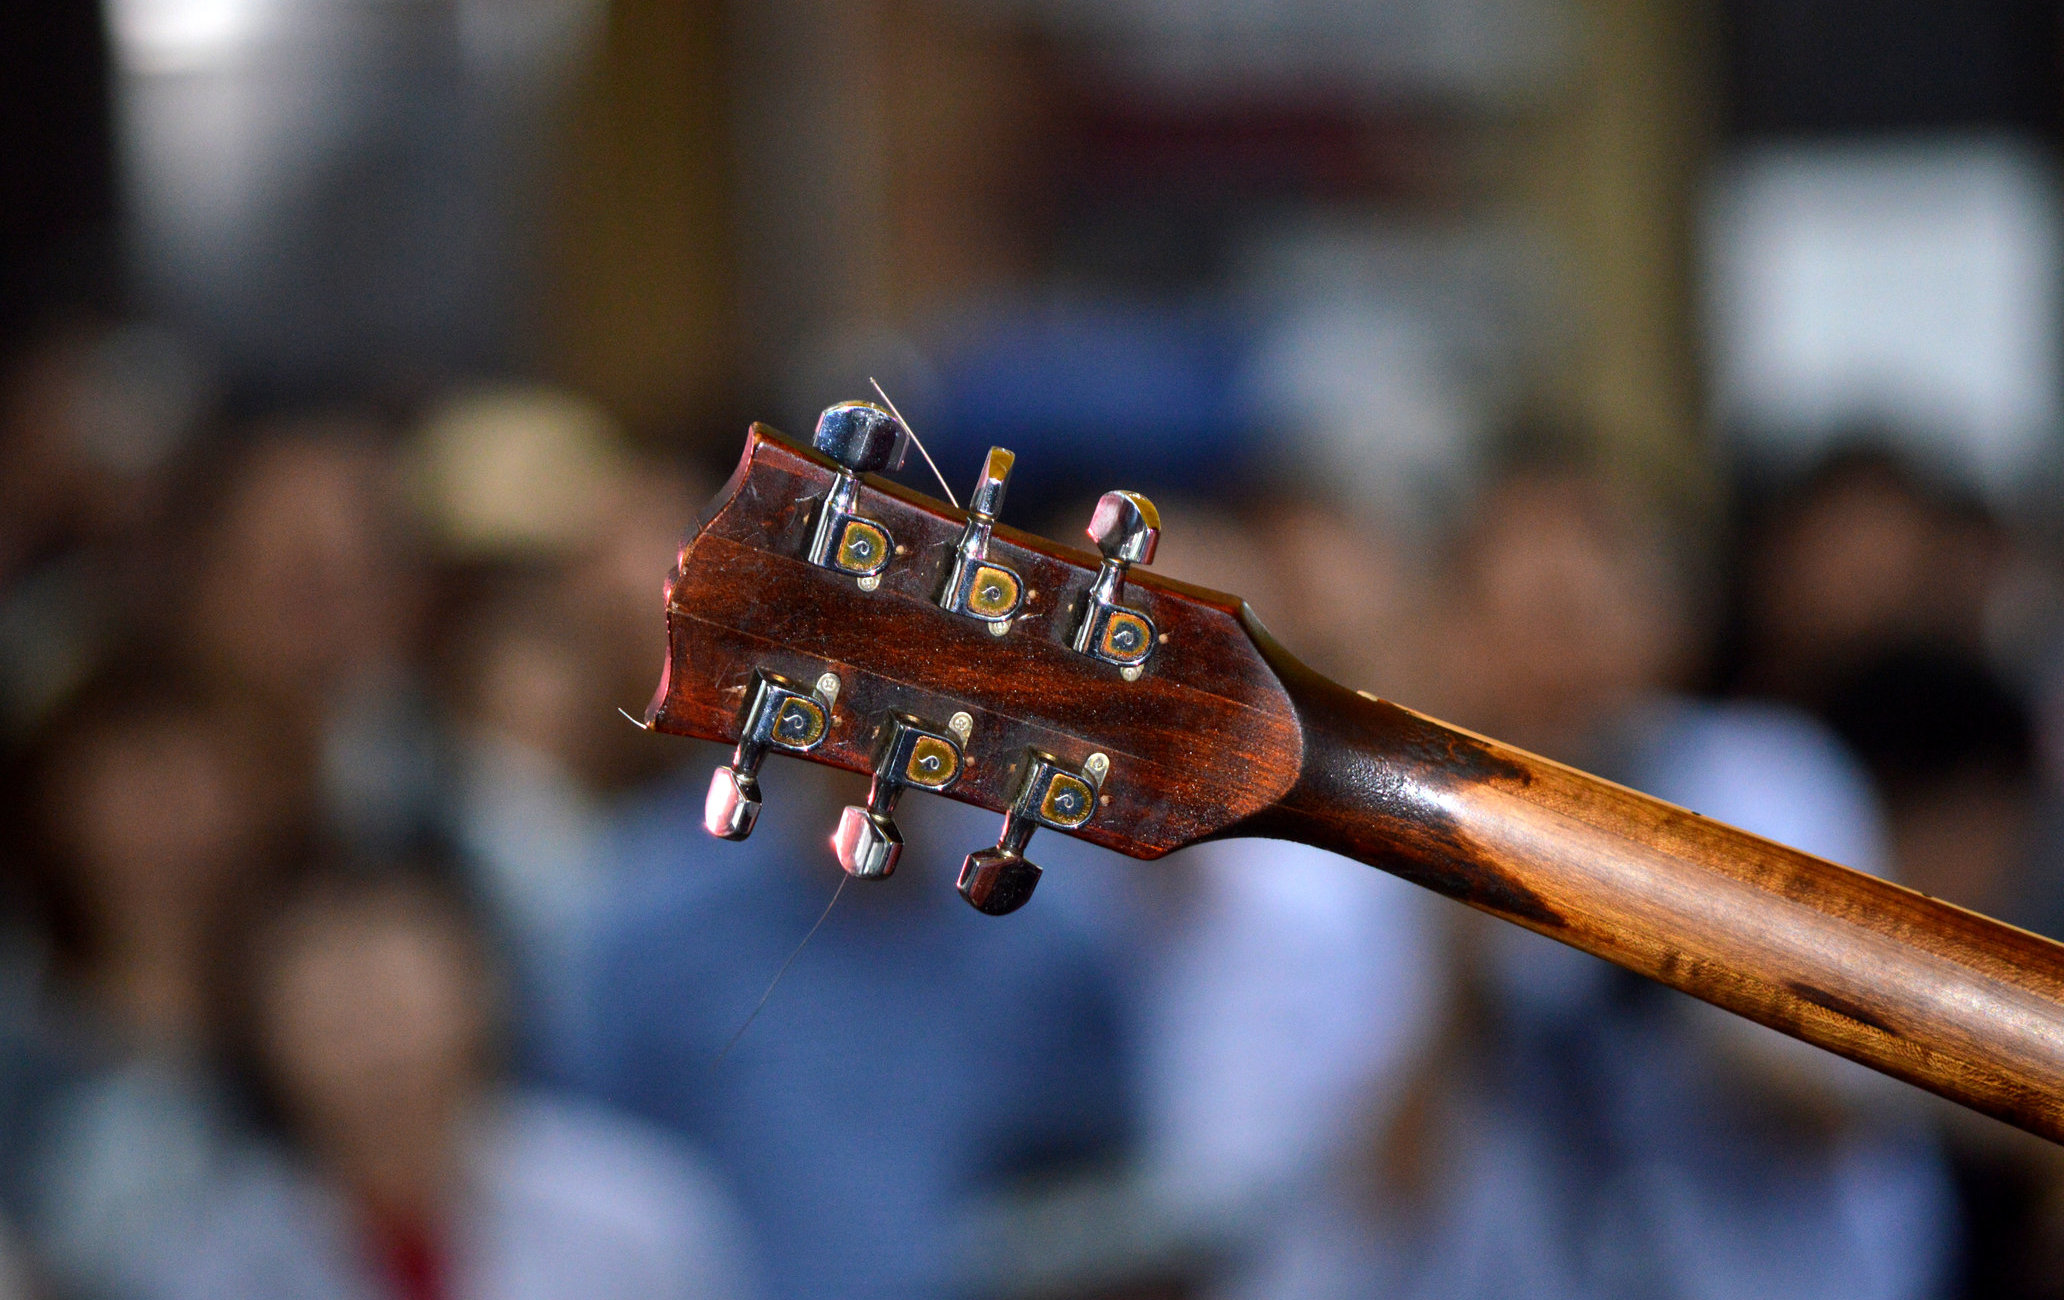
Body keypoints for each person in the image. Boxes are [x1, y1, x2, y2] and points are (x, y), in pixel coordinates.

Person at [156, 862, 755, 1300]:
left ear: (480, 995)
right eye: (330, 1010)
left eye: (398, 998)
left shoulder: (639, 1215)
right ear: (260, 1034)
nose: (374, 1044)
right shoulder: (201, 1264)